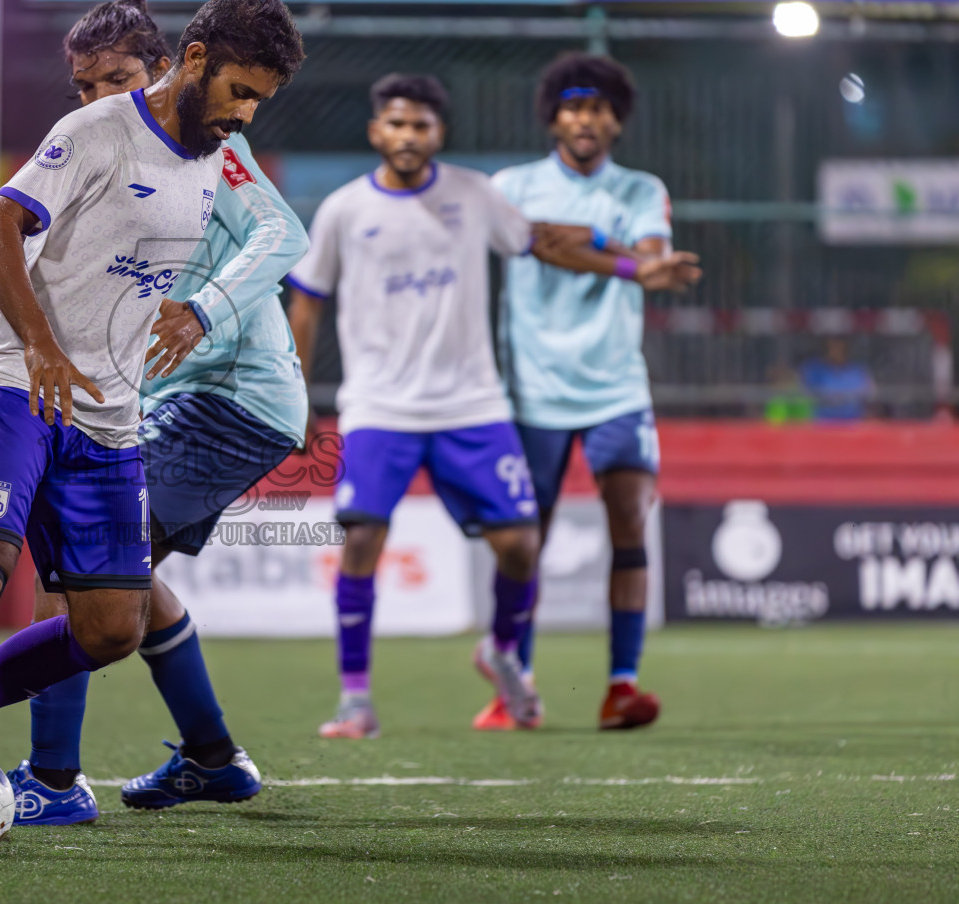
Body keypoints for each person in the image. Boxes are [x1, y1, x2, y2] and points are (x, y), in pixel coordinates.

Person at [0, 0, 306, 859]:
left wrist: (199, 313)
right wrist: (44, 349)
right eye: (240, 92)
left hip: (111, 419)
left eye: (258, 102)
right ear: (195, 60)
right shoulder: (97, 130)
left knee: (110, 629)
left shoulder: (216, 155)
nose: (243, 114)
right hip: (19, 385)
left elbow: (276, 239)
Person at [286, 73, 699, 740]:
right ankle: (355, 700)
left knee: (520, 545)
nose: (408, 136)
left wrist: (632, 270)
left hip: (472, 406)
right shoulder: (341, 210)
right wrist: (296, 393)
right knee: (362, 538)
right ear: (375, 132)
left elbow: (546, 242)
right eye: (396, 124)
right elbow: (305, 302)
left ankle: (504, 651)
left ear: (438, 134)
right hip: (379, 408)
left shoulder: (474, 195)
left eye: (421, 126)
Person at [486, 52, 701, 731]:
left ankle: (621, 685)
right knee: (526, 541)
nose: (587, 119)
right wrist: (627, 260)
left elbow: (644, 255)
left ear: (617, 122)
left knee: (631, 522)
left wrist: (591, 244)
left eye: (601, 109)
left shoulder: (641, 188)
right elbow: (603, 256)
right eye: (575, 106)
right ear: (554, 115)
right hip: (532, 390)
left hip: (616, 387)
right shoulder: (511, 185)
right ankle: (514, 689)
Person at [799, 337, 874, 421]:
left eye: (840, 347)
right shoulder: (814, 369)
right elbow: (805, 395)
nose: (836, 350)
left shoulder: (858, 371)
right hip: (822, 424)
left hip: (853, 423)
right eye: (832, 347)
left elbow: (869, 397)